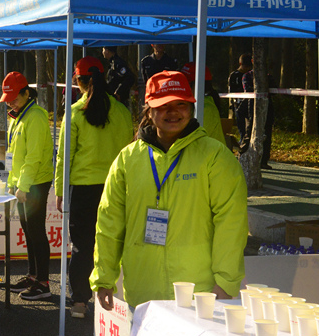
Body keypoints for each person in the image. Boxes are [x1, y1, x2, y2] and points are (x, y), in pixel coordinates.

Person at [91, 70, 249, 310]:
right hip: (143, 292)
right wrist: (104, 278)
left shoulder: (215, 156)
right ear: (149, 110)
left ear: (191, 107)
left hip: (200, 294)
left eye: (181, 104)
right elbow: (110, 221)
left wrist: (226, 282)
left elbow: (231, 222)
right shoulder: (128, 159)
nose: (173, 112)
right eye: (163, 105)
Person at [55, 57, 133, 318]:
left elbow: (64, 156)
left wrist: (60, 189)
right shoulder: (122, 112)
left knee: (82, 245)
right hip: (115, 187)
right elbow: (129, 153)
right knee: (114, 242)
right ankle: (118, 299)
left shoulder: (75, 112)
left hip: (83, 188)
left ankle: (79, 301)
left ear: (78, 81)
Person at [0, 71, 54, 301]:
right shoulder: (19, 116)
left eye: (14, 98)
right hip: (23, 182)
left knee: (36, 231)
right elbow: (14, 154)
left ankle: (43, 282)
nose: (10, 102)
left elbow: (34, 156)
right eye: (8, 99)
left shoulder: (36, 117)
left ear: (26, 93)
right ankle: (33, 276)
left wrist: (24, 186)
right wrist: (13, 183)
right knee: (28, 230)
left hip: (35, 182)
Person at [179, 62, 226, 146]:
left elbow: (188, 141)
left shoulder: (205, 108)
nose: (181, 88)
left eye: (185, 84)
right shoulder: (196, 104)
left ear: (200, 85)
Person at [242, 68, 276, 168]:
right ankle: (244, 157)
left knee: (267, 134)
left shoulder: (268, 76)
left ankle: (264, 161)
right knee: (249, 133)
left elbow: (274, 89)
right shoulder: (247, 76)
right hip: (251, 108)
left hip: (267, 108)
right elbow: (247, 89)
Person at [228, 53, 252, 152]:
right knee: (241, 126)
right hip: (238, 104)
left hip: (249, 104)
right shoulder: (234, 75)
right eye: (245, 66)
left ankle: (247, 144)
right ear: (240, 64)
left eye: (249, 67)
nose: (247, 69)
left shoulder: (250, 75)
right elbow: (231, 91)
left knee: (249, 126)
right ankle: (242, 143)